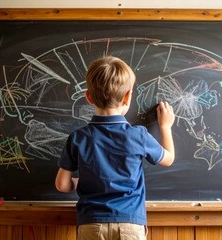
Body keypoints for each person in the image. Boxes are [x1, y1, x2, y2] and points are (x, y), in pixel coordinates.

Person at [55, 56, 175, 240]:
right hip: (130, 224)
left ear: (88, 97)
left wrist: (78, 182)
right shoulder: (138, 135)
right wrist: (165, 126)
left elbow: (62, 185)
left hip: (91, 223)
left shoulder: (78, 137)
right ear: (127, 96)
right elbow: (168, 159)